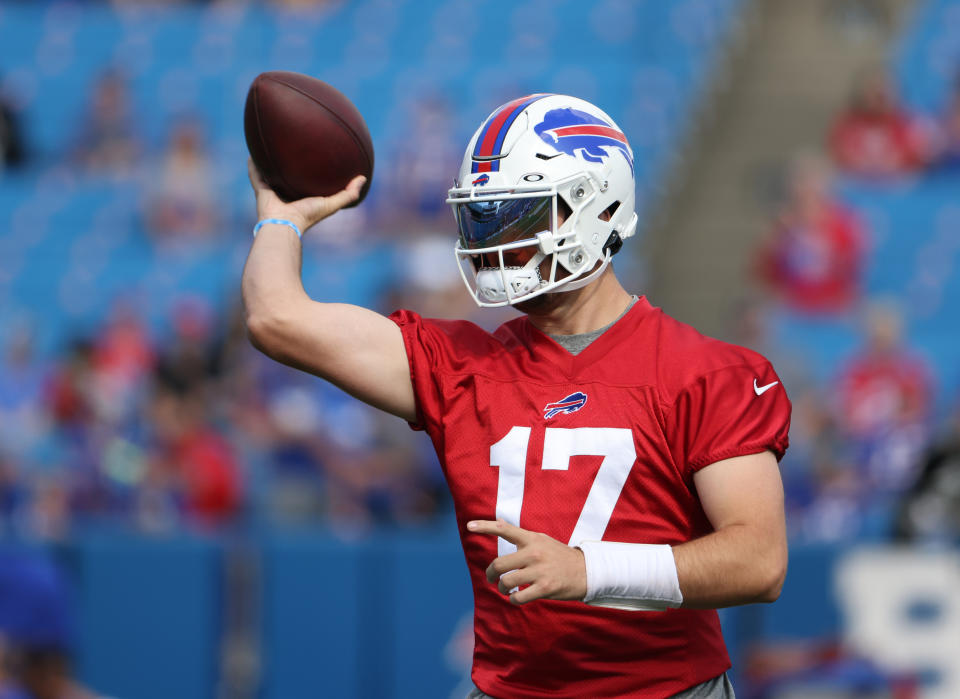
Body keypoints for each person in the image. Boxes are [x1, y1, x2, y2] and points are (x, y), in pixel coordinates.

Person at [242, 94, 791, 698]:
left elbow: (758, 560)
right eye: (486, 220)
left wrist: (587, 571)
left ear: (597, 208)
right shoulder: (462, 367)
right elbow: (276, 320)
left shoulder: (706, 372)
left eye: (523, 217)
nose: (498, 242)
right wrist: (282, 217)